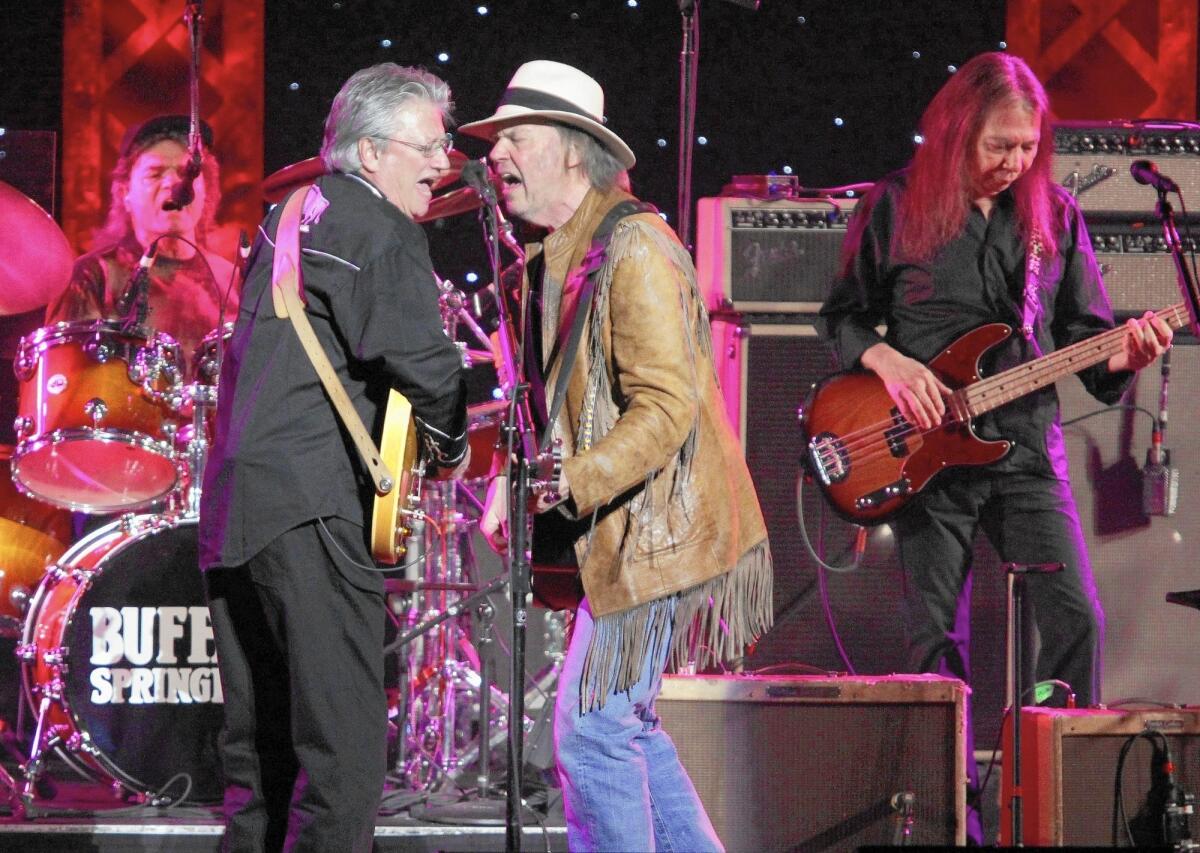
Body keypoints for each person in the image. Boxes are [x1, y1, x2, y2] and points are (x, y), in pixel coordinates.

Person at [817, 51, 1172, 841]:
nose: (1014, 163)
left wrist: (1125, 353)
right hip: (923, 458)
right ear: (954, 133)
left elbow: (1085, 336)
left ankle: (1050, 787)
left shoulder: (1055, 217)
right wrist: (888, 358)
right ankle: (950, 815)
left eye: (1025, 147)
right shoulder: (897, 205)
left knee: (1076, 617)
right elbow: (839, 315)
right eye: (998, 147)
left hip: (1023, 450)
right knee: (932, 637)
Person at [460, 60, 773, 852]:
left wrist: (570, 480)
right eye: (495, 143)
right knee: (624, 727)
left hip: (661, 534)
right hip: (631, 533)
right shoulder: (557, 256)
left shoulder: (636, 246)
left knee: (592, 729)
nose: (496, 157)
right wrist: (514, 477)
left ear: (571, 149)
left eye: (514, 140)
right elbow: (561, 402)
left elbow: (666, 405)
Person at [199, 63, 469, 851]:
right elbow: (429, 366)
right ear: (375, 150)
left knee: (261, 766)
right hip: (314, 510)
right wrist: (447, 450)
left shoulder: (285, 216)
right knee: (343, 758)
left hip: (236, 513)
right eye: (428, 146)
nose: (442, 163)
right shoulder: (381, 228)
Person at [46, 114, 237, 372]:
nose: (172, 183)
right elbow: (69, 386)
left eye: (185, 172)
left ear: (206, 191)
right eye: (154, 174)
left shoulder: (232, 280)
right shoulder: (92, 275)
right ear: (125, 193)